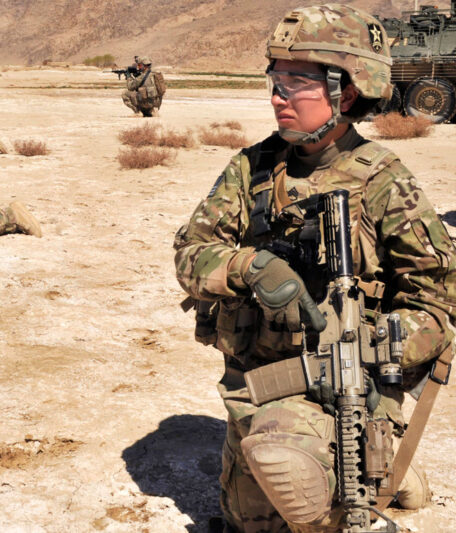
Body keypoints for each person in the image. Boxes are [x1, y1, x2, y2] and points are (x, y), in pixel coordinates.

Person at [173, 4, 456, 532]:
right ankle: (384, 472)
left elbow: (439, 297)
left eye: (296, 81)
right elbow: (191, 253)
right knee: (247, 520)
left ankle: (375, 460)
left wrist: (381, 352)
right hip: (256, 379)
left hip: (347, 382)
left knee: (298, 484)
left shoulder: (382, 179)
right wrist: (250, 267)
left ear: (345, 91)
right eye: (275, 79)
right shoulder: (252, 168)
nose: (278, 95)